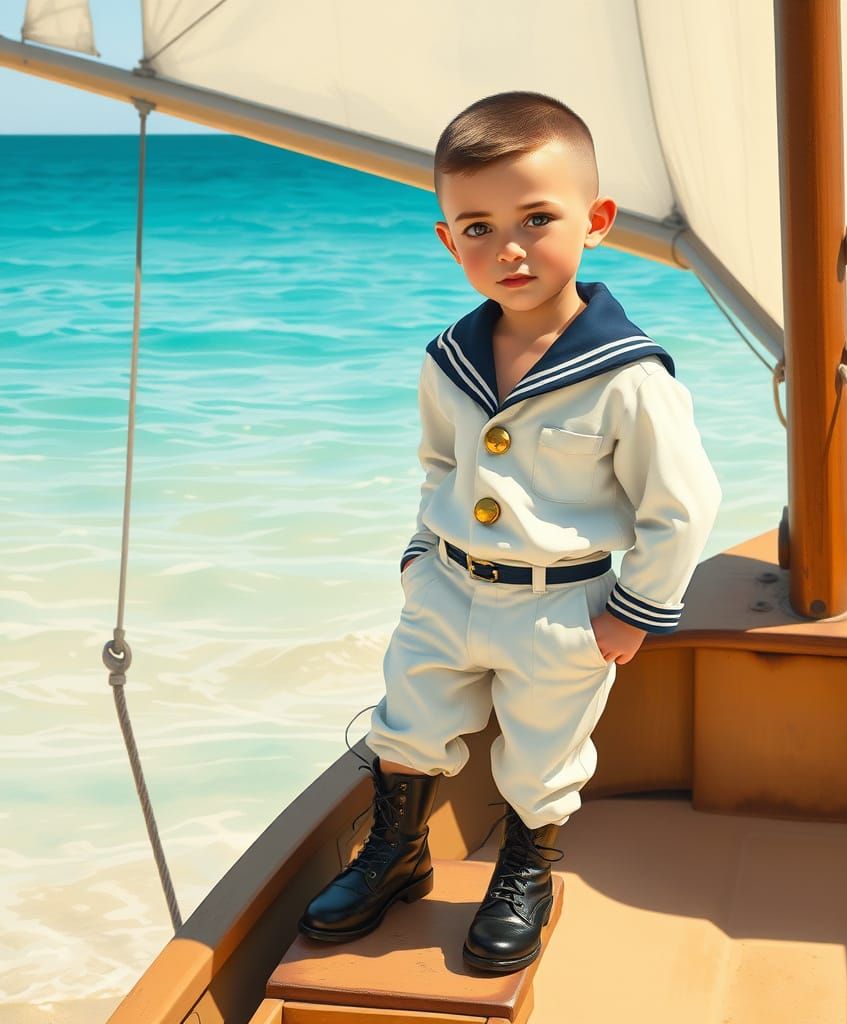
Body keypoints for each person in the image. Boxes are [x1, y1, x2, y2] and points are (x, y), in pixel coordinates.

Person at [297, 90, 722, 973]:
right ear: (449, 241)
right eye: (478, 228)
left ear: (597, 220)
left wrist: (636, 611)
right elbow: (440, 468)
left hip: (561, 607)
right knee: (406, 725)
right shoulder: (447, 358)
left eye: (537, 217)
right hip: (447, 590)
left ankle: (526, 872)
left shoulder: (629, 377)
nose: (510, 248)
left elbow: (681, 506)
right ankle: (397, 853)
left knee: (542, 753)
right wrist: (421, 556)